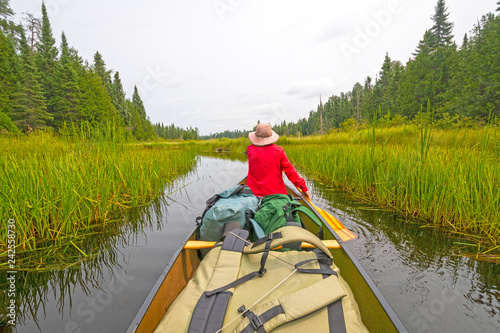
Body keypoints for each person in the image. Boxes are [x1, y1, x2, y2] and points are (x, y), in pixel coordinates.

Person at [246, 122, 311, 200]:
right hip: (276, 195)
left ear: (256, 137)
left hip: (253, 194)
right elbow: (289, 171)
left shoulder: (250, 149)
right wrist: (303, 187)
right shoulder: (278, 151)